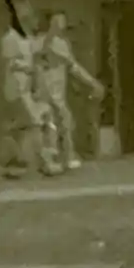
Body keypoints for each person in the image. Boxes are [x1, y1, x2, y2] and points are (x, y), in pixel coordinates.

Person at [31, 12, 104, 175]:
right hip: (43, 94)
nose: (61, 24)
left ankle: (65, 158)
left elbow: (73, 67)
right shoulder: (38, 42)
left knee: (65, 122)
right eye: (57, 21)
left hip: (56, 94)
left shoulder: (61, 44)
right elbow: (42, 52)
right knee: (51, 126)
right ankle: (52, 162)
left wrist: (91, 83)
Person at [0, 19, 38, 178]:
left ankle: (15, 159)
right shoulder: (10, 38)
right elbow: (10, 64)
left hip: (25, 87)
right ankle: (9, 155)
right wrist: (28, 68)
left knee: (23, 125)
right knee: (28, 121)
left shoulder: (27, 39)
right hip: (15, 87)